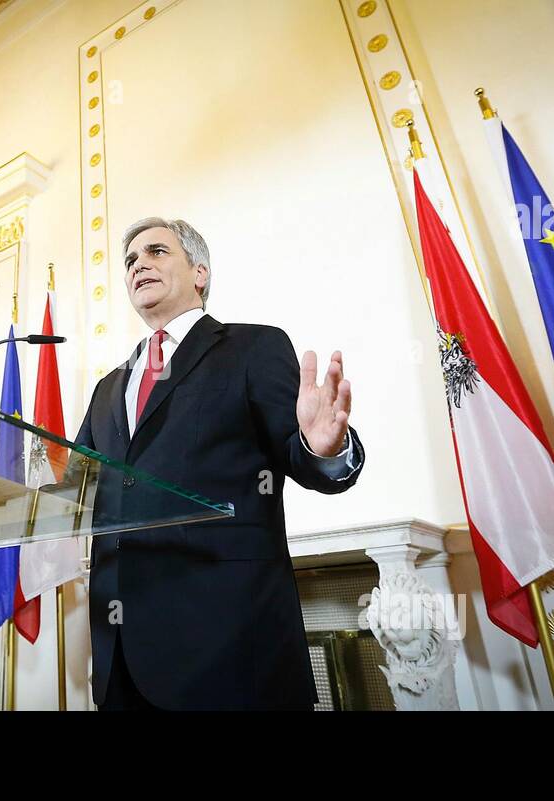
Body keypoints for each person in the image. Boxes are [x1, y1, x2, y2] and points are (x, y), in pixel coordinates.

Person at [73, 217, 365, 710]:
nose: (138, 264)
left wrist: (324, 447)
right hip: (120, 651)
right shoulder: (108, 388)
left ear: (200, 272)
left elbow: (301, 456)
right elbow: (76, 488)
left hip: (229, 648)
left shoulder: (253, 347)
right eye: (130, 261)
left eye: (157, 252)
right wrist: (9, 487)